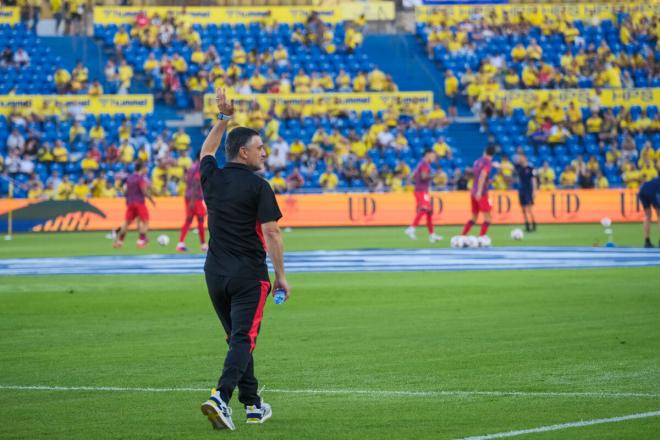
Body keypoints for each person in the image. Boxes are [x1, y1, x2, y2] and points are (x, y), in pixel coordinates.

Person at [199, 88, 289, 431]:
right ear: (243, 152)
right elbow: (272, 233)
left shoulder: (212, 178)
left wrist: (223, 119)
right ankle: (220, 397)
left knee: (237, 338)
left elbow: (207, 150)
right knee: (243, 339)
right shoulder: (259, 186)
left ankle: (252, 404)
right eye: (259, 148)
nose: (264, 153)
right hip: (249, 275)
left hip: (214, 274)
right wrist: (280, 276)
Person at [113, 162, 155, 248]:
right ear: (142, 168)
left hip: (130, 203)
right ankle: (141, 241)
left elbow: (125, 191)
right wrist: (151, 199)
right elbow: (143, 191)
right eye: (145, 167)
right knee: (145, 222)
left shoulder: (129, 178)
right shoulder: (140, 178)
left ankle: (119, 241)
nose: (146, 169)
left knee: (126, 223)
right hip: (139, 202)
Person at [404, 149, 442, 243]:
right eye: (432, 155)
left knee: (429, 211)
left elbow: (413, 176)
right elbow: (424, 177)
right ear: (427, 155)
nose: (434, 157)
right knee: (425, 209)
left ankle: (432, 235)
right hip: (421, 191)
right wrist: (434, 175)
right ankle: (411, 228)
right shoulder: (424, 164)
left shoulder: (421, 163)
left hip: (420, 190)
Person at [462, 145, 495, 238]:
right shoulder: (488, 163)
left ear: (485, 151)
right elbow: (482, 176)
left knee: (474, 217)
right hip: (481, 193)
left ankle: (462, 236)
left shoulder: (477, 161)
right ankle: (481, 238)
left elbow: (475, 175)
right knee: (488, 218)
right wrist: (480, 191)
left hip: (473, 191)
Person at [176, 160, 207, 252]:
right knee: (200, 220)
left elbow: (186, 179)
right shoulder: (199, 167)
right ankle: (203, 245)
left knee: (189, 220)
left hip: (188, 196)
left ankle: (180, 243)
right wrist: (193, 200)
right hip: (195, 198)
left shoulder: (191, 167)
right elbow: (196, 182)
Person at [514, 155, 537, 232]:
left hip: (528, 190)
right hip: (521, 190)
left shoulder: (530, 168)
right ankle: (527, 224)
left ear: (525, 158)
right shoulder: (519, 168)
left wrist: (534, 191)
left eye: (521, 158)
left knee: (529, 208)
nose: (520, 159)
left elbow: (534, 180)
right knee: (523, 208)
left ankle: (533, 223)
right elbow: (510, 167)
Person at [638, 176, 660, 248]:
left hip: (643, 190)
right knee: (659, 215)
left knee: (647, 215)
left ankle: (647, 241)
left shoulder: (655, 179)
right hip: (653, 192)